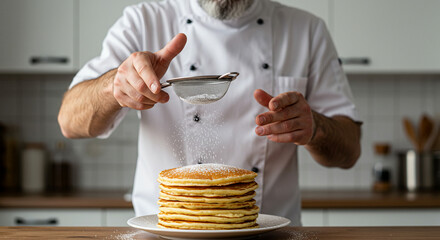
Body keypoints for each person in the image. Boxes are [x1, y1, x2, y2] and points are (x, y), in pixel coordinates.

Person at [58, 0, 361, 225]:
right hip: (165, 233)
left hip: (270, 235)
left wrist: (315, 128)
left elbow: (349, 151)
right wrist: (114, 86)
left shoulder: (305, 30)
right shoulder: (144, 21)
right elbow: (69, 121)